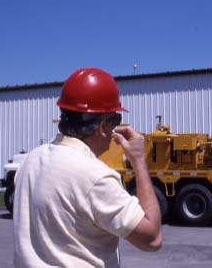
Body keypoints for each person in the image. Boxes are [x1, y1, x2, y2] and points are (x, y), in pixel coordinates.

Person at [13, 68, 162, 268]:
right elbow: (152, 239)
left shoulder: (30, 162)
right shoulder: (96, 177)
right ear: (101, 127)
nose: (114, 129)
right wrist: (139, 160)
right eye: (115, 120)